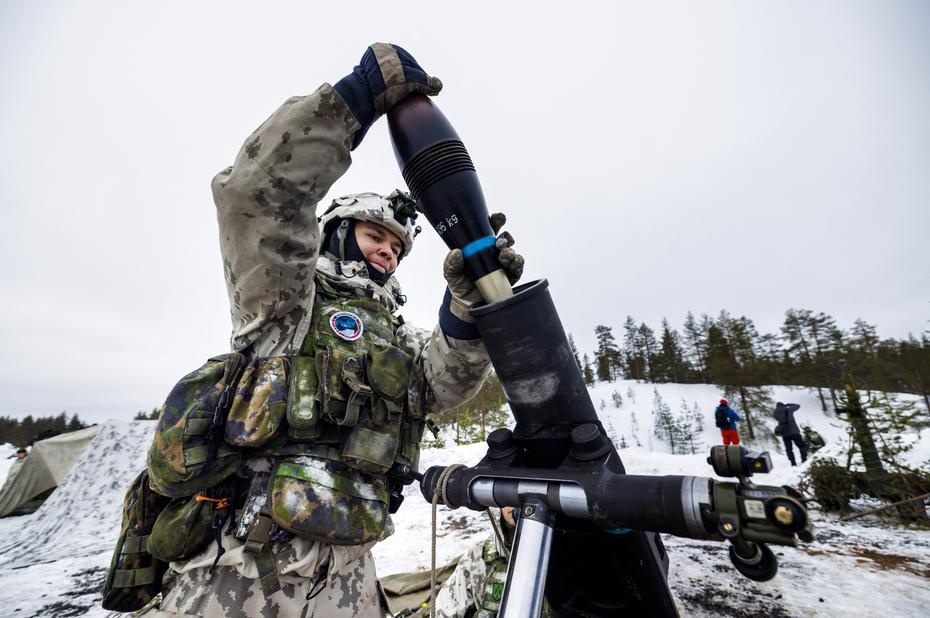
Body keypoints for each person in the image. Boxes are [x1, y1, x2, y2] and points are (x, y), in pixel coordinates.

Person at [142, 43, 524, 618]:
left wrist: (469, 304)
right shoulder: (285, 302)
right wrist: (351, 102)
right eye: (376, 236)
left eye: (398, 248)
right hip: (243, 573)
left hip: (351, 574)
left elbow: (442, 385)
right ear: (339, 232)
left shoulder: (393, 335)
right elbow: (255, 198)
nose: (389, 253)